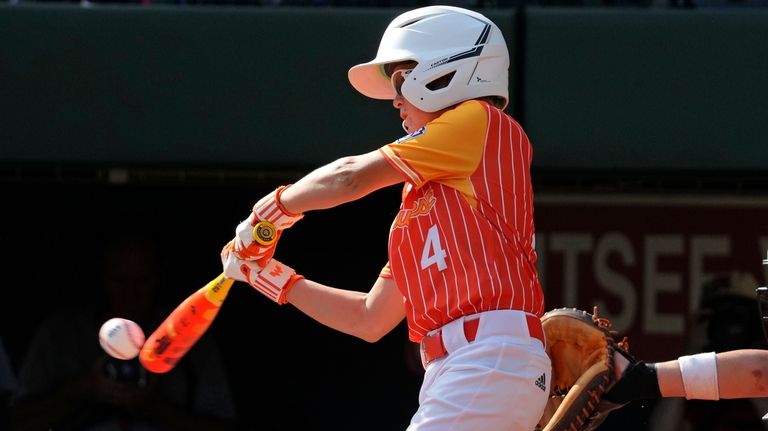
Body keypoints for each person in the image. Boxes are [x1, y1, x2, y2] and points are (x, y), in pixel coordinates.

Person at [220, 5, 550, 431]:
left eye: (401, 78)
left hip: (487, 359)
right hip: (464, 370)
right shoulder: (422, 208)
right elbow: (369, 319)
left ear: (449, 69)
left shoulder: (480, 121)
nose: (396, 100)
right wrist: (270, 276)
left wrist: (270, 212)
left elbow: (349, 178)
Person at [10, 235, 237, 431]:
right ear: (102, 278)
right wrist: (81, 390)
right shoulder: (60, 334)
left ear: (159, 278)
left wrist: (153, 405)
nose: (130, 293)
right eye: (119, 281)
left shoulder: (191, 332)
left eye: (142, 281)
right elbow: (15, 423)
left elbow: (224, 426)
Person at [596, 272, 768, 431]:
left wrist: (754, 354)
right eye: (720, 316)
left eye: (740, 316)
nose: (731, 327)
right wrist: (691, 352)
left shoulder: (762, 365)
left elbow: (761, 376)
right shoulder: (692, 370)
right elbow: (660, 428)